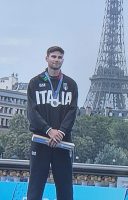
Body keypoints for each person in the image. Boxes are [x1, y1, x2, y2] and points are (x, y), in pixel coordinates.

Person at [26, 46, 78, 200]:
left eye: (59, 57)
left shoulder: (71, 84)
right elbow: (32, 112)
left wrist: (60, 132)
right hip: (41, 140)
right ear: (47, 58)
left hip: (62, 142)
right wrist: (49, 130)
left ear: (63, 59)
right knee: (35, 186)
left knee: (65, 187)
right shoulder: (35, 82)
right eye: (53, 56)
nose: (56, 60)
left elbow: (73, 111)